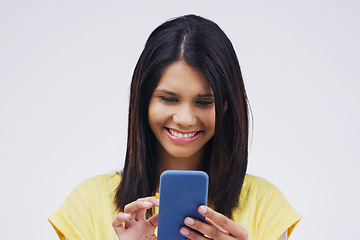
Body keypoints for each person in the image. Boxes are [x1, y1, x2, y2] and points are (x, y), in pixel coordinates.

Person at [48, 14, 302, 240]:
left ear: (225, 106)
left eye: (204, 102)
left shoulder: (265, 205)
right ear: (143, 100)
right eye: (169, 99)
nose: (185, 118)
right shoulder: (87, 204)